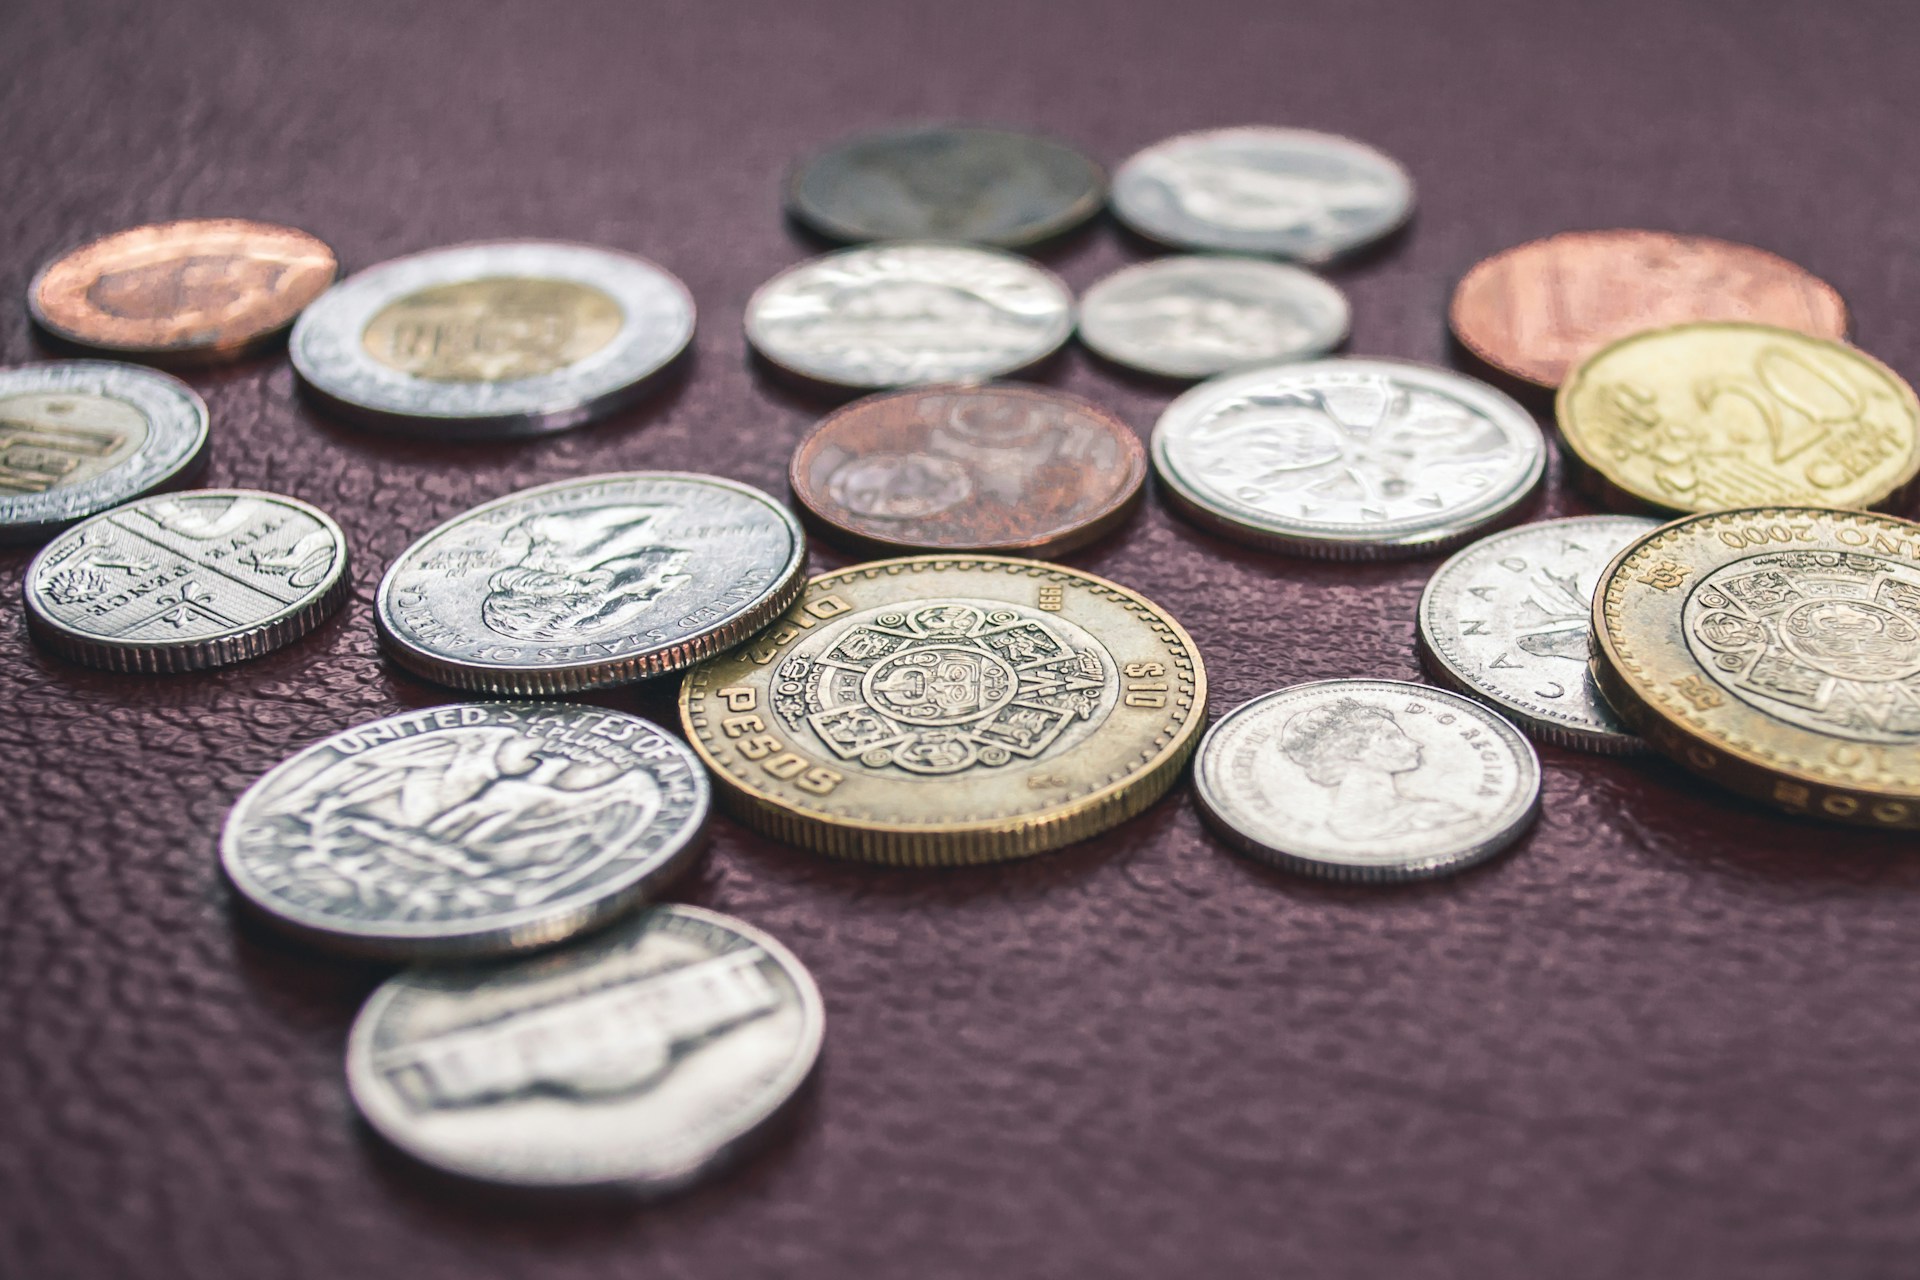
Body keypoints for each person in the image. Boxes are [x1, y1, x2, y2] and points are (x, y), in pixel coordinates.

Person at [1279, 699, 1472, 842]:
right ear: (1353, 749)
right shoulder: (1429, 815)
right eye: (1392, 736)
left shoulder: (1430, 812)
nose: (1416, 743)